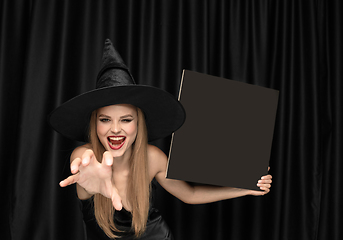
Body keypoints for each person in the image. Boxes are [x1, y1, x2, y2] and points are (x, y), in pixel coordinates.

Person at [49, 39, 272, 240]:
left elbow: (190, 194)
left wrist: (243, 189)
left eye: (126, 119)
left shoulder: (152, 158)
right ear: (94, 124)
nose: (115, 129)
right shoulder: (86, 159)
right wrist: (88, 172)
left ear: (139, 123)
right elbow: (82, 160)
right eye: (105, 119)